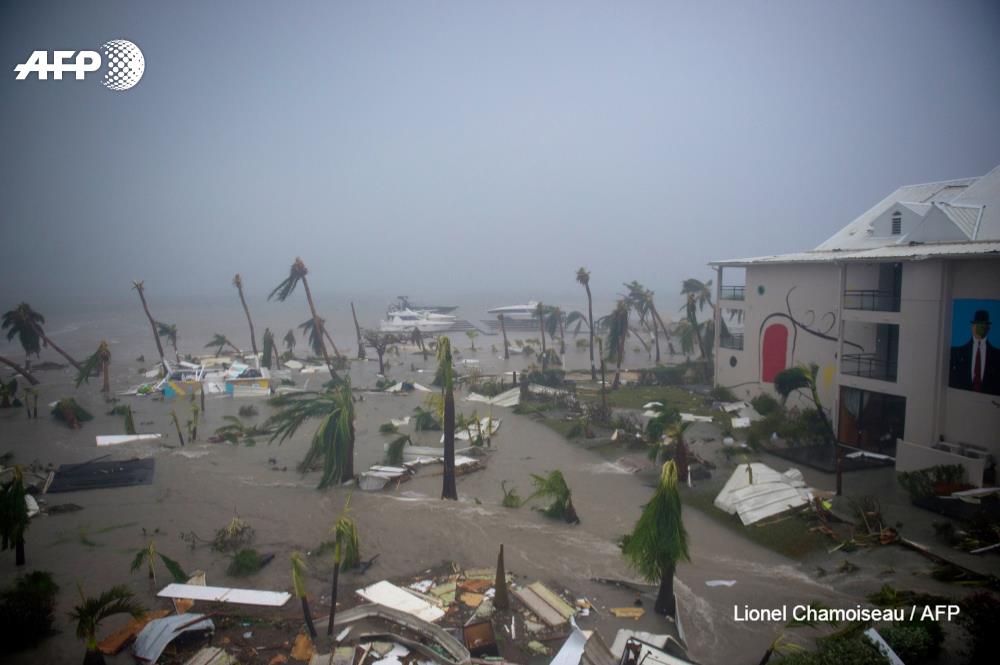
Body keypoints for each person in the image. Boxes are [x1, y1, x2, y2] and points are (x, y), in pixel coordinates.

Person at [949, 309, 1000, 395]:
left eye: (983, 325)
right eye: (977, 325)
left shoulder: (997, 356)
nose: (979, 328)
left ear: (988, 328)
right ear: (972, 327)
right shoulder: (955, 353)